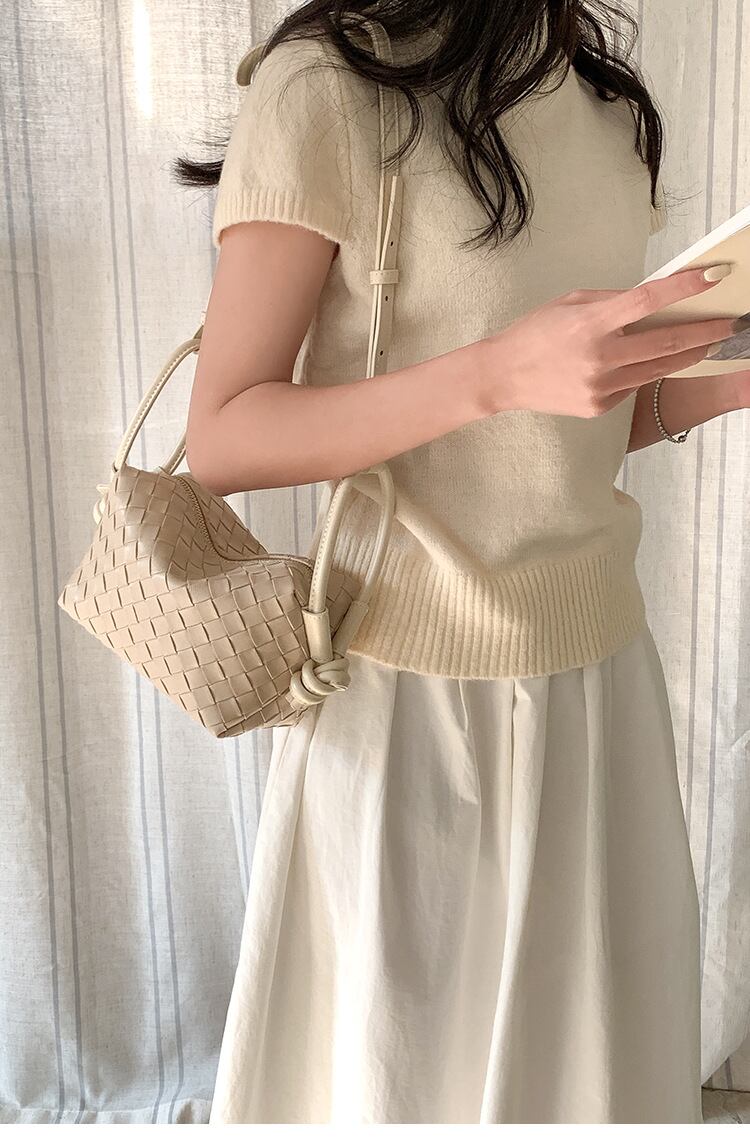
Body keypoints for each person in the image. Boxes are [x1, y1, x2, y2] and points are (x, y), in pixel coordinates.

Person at [174, 1, 747, 1124]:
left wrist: (727, 377)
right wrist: (497, 370)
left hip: (599, 686)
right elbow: (225, 437)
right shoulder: (330, 85)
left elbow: (571, 427)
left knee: (590, 1082)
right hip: (405, 703)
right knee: (397, 1084)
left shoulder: (606, 112)